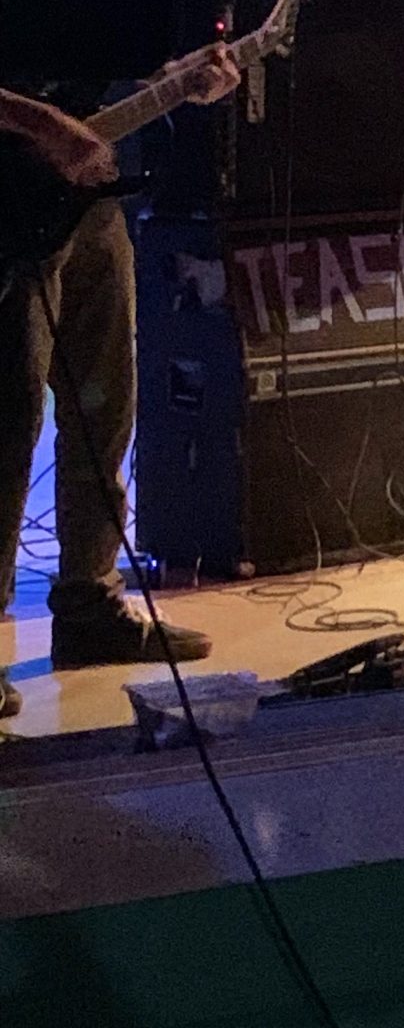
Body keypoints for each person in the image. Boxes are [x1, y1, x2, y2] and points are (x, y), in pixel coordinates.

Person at [1, 48, 241, 718]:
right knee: (9, 419)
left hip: (87, 194)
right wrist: (40, 122)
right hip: (8, 190)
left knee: (104, 407)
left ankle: (90, 606)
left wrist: (169, 78)